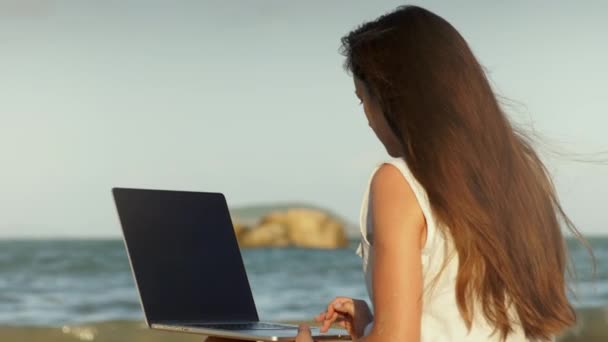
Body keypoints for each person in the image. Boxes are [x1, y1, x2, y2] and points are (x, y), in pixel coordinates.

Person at [211, 4, 587, 342]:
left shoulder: (399, 182)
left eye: (363, 98)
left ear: (393, 97)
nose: (366, 118)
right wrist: (376, 324)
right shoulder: (521, 179)